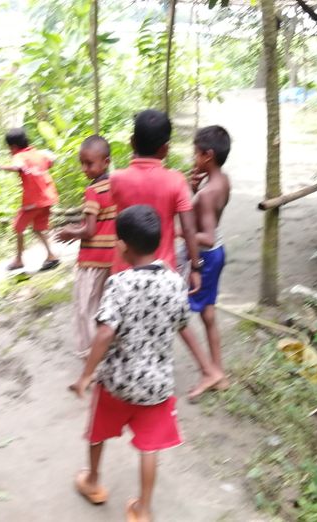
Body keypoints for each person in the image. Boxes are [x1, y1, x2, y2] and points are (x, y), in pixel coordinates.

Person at [70, 205, 190, 522]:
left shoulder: (119, 283)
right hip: (157, 386)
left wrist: (85, 375)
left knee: (98, 432)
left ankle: (93, 481)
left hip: (117, 381)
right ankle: (143, 509)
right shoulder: (175, 281)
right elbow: (182, 322)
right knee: (149, 447)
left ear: (122, 245)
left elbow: (105, 332)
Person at [108, 109, 223, 398]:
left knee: (117, 319)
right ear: (165, 149)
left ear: (132, 142)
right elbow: (188, 226)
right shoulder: (175, 181)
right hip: (164, 270)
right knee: (177, 319)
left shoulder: (117, 179)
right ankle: (207, 369)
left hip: (124, 267)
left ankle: (121, 375)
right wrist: (195, 266)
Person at [178, 126, 233, 400]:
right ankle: (218, 373)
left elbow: (207, 237)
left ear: (208, 155)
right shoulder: (223, 181)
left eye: (196, 153)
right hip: (217, 253)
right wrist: (192, 190)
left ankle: (209, 372)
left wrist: (178, 232)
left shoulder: (208, 192)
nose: (193, 158)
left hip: (205, 255)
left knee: (176, 311)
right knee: (208, 314)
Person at [55, 135, 116, 358]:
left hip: (92, 261)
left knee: (86, 309)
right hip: (113, 259)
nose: (84, 169)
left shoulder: (93, 191)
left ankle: (91, 354)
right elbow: (103, 221)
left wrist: (71, 233)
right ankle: (111, 347)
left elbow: (89, 231)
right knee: (108, 306)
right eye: (82, 163)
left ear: (106, 162)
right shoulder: (116, 185)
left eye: (89, 163)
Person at [0, 127, 61, 271]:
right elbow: (51, 161)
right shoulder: (37, 154)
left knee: (18, 227)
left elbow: (18, 167)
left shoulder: (19, 156)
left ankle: (19, 260)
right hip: (48, 197)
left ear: (13, 146)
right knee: (38, 228)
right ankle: (51, 255)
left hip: (34, 201)